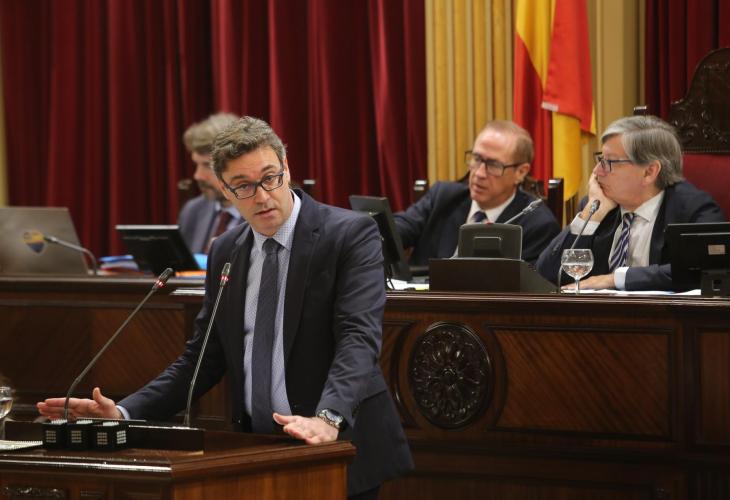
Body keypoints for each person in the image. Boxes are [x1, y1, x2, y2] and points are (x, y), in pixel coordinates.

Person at [38, 116, 413, 499]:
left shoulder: (349, 234)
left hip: (338, 444)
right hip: (256, 448)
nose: (262, 197)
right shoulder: (226, 250)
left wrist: (328, 417)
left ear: (287, 169)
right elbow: (202, 357)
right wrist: (123, 413)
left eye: (270, 178)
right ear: (225, 190)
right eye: (244, 186)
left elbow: (358, 337)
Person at [536, 115, 725, 291]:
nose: (597, 171)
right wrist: (589, 217)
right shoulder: (598, 204)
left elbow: (705, 269)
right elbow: (545, 276)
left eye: (609, 162)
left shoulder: (693, 208)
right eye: (601, 159)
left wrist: (614, 279)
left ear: (649, 172)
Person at [394, 120, 560, 266]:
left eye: (493, 165)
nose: (479, 173)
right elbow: (396, 230)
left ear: (520, 172)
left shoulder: (538, 226)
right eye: (477, 159)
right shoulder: (442, 197)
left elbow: (525, 286)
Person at [178, 112, 242, 254]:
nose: (197, 176)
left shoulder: (263, 213)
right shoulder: (192, 211)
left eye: (207, 165)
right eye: (196, 164)